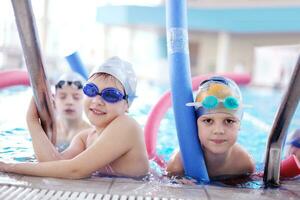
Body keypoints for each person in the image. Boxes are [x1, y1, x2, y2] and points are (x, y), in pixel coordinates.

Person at [0, 57, 149, 179]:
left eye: (110, 95)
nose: (97, 100)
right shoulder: (85, 137)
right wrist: (32, 122)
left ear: (126, 105)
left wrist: (9, 167)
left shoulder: (127, 125)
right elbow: (54, 164)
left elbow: (75, 170)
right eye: (91, 90)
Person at [166, 76, 255, 178]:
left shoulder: (243, 163)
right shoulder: (179, 164)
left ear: (240, 124)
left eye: (229, 121)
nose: (218, 131)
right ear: (195, 124)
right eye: (208, 120)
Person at [53, 72, 90, 150]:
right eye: (62, 97)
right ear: (54, 99)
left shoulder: (90, 134)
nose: (69, 102)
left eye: (76, 97)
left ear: (86, 100)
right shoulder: (47, 130)